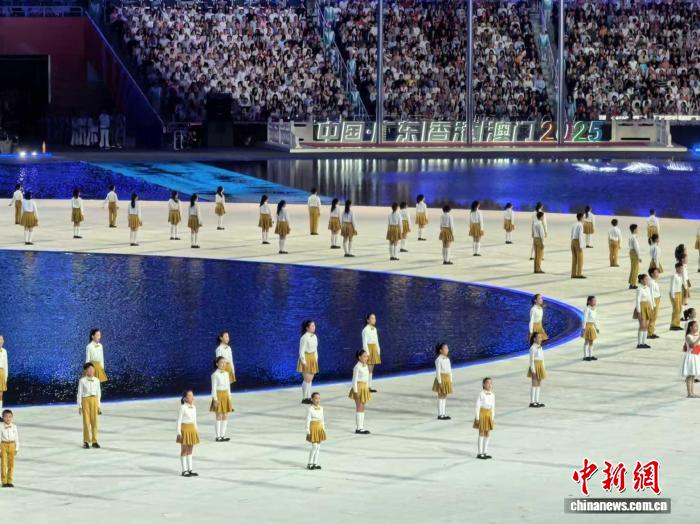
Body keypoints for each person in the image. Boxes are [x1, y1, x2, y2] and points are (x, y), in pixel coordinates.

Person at [77, 363, 101, 448]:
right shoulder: (82, 380)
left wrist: (98, 405)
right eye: (90, 369)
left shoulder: (97, 380)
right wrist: (79, 406)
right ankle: (86, 441)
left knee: (95, 422)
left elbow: (98, 393)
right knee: (86, 422)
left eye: (93, 369)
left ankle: (94, 441)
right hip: (85, 400)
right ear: (86, 371)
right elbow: (79, 393)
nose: (92, 371)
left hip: (94, 400)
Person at [176, 390, 199, 477]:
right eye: (190, 395)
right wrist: (179, 432)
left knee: (190, 450)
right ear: (185, 398)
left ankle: (190, 469)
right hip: (184, 430)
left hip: (192, 429)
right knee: (184, 450)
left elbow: (195, 420)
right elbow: (179, 421)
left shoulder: (194, 407)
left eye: (192, 395)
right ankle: (184, 470)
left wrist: (196, 431)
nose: (192, 397)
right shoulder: (183, 407)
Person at [210, 357, 233, 442]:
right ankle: (218, 436)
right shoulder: (215, 375)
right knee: (219, 415)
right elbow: (213, 388)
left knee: (225, 415)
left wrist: (229, 397)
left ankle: (223, 435)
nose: (223, 364)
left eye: (224, 362)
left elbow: (228, 387)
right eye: (222, 362)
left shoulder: (226, 373)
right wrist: (215, 399)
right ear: (217, 364)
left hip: (225, 395)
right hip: (218, 395)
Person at [349, 350, 371, 434]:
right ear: (359, 357)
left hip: (364, 387)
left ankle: (361, 426)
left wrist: (367, 388)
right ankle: (359, 428)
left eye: (367, 356)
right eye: (364, 356)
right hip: (359, 387)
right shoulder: (357, 367)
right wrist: (355, 392)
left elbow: (367, 378)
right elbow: (354, 380)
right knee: (359, 407)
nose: (366, 358)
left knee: (362, 407)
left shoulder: (366, 366)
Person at [297, 320, 319, 404]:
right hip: (306, 358)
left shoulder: (315, 336)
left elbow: (315, 349)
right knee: (307, 379)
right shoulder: (304, 337)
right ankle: (305, 398)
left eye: (314, 325)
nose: (314, 327)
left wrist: (316, 359)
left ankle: (309, 397)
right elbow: (301, 351)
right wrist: (304, 362)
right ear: (307, 328)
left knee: (310, 380)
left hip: (312, 358)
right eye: (312, 326)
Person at [474, 377, 495, 459]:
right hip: (482, 413)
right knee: (482, 433)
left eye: (491, 383)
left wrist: (492, 417)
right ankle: (480, 453)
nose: (489, 385)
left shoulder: (492, 395)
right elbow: (477, 406)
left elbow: (493, 407)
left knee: (487, 433)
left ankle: (485, 452)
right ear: (483, 384)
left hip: (489, 414)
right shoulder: (481, 394)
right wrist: (477, 417)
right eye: (487, 383)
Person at [432, 342, 453, 420]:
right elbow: (438, 372)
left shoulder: (447, 359)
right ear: (441, 350)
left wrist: (450, 380)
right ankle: (440, 414)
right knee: (440, 396)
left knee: (444, 396)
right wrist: (440, 382)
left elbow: (450, 371)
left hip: (447, 379)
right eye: (445, 348)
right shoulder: (438, 359)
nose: (447, 350)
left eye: (447, 348)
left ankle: (443, 413)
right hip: (441, 378)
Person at [305, 392, 326, 470]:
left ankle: (315, 463)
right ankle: (309, 463)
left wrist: (323, 428)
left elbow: (322, 419)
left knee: (318, 447)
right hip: (313, 428)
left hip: (319, 427)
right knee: (314, 446)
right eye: (316, 398)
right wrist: (307, 430)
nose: (318, 400)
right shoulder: (310, 409)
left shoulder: (321, 408)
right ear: (312, 399)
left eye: (319, 398)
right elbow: (308, 419)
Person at [362, 313, 381, 392]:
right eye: (372, 318)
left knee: (371, 369)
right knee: (367, 369)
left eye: (375, 318)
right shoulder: (365, 330)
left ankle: (369, 386)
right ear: (368, 320)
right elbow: (364, 343)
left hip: (374, 348)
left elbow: (376, 341)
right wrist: (367, 353)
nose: (374, 320)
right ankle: (365, 387)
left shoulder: (375, 329)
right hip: (368, 349)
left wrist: (378, 350)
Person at [634, 274, 655, 348]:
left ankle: (644, 342)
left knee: (646, 326)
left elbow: (650, 299)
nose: (647, 280)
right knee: (642, 326)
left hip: (648, 307)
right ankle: (639, 343)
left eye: (647, 279)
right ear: (641, 280)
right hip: (642, 307)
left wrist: (652, 309)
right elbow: (638, 300)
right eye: (646, 279)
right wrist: (639, 312)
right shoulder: (639, 289)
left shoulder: (648, 288)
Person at [680, 321, 700, 398]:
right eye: (695, 326)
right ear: (691, 328)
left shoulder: (695, 336)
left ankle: (692, 392)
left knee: (693, 375)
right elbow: (693, 345)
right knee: (689, 375)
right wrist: (699, 338)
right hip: (690, 357)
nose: (697, 328)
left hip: (695, 356)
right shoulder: (688, 336)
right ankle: (689, 393)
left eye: (697, 326)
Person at [527, 332, 546, 408]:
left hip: (540, 366)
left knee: (538, 384)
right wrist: (533, 370)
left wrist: (543, 367)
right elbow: (531, 361)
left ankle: (537, 401)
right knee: (534, 384)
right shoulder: (532, 348)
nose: (540, 339)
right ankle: (532, 402)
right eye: (539, 337)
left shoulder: (540, 347)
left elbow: (542, 358)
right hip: (535, 366)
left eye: (541, 337)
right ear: (534, 339)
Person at [1, 409, 18, 488]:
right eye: (6, 417)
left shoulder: (14, 426)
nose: (8, 418)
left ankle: (10, 481)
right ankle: (4, 481)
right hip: (3, 445)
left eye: (10, 417)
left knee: (11, 464)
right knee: (4, 464)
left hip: (12, 445)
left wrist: (16, 448)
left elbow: (17, 438)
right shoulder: (1, 427)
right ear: (3, 417)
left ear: (12, 417)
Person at [582, 296, 599, 361]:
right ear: (589, 301)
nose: (595, 302)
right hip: (587, 326)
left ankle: (591, 355)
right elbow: (584, 319)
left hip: (592, 326)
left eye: (595, 301)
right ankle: (585, 356)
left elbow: (594, 320)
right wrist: (583, 328)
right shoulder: (587, 309)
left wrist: (596, 328)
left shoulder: (594, 309)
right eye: (593, 301)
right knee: (586, 341)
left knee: (591, 341)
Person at [647, 267, 662, 339]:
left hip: (657, 299)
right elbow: (651, 294)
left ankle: (651, 331)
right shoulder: (651, 283)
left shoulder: (654, 281)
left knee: (654, 317)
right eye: (656, 272)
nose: (658, 274)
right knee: (652, 317)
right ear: (652, 274)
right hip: (654, 301)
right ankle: (649, 333)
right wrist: (653, 304)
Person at [670, 262, 685, 331]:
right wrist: (673, 296)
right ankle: (673, 325)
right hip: (674, 293)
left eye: (682, 268)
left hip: (679, 293)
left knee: (679, 309)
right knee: (676, 309)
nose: (682, 269)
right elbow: (672, 286)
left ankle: (677, 324)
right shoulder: (674, 276)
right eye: (681, 268)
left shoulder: (680, 276)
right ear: (677, 268)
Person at [570, 213, 585, 278]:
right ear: (581, 218)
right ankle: (579, 274)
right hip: (577, 242)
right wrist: (581, 246)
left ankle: (573, 274)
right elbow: (580, 236)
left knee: (574, 259)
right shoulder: (580, 225)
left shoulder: (574, 224)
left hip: (573, 241)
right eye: (583, 218)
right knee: (580, 259)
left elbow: (571, 234)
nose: (584, 219)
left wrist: (572, 242)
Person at [628, 224, 642, 289]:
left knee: (633, 268)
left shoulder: (631, 237)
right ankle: (633, 284)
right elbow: (637, 248)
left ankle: (631, 282)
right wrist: (639, 257)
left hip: (631, 252)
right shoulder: (634, 238)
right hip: (634, 253)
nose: (638, 230)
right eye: (637, 229)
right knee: (635, 269)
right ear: (634, 230)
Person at [0, 336, 7, 410]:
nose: (0, 341)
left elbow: (6, 364)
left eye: (1, 339)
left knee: (0, 395)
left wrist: (6, 376)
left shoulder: (4, 351)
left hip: (1, 372)